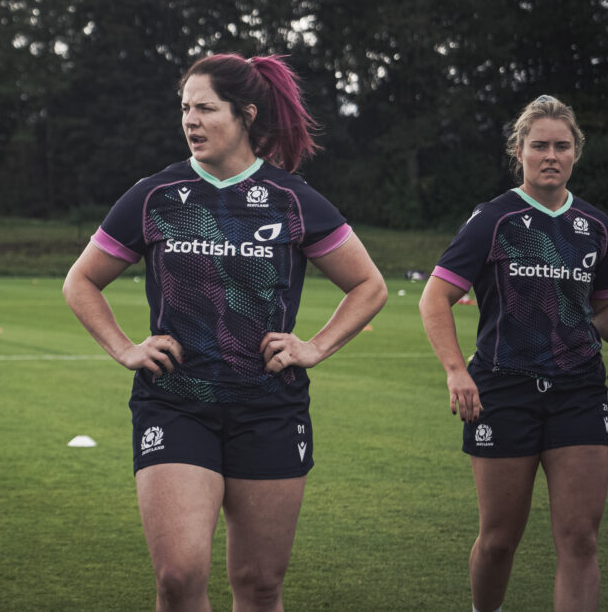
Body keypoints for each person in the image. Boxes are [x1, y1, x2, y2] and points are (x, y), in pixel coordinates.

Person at [63, 53, 387, 610]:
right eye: (184, 108)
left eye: (206, 108)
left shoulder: (291, 198)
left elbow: (368, 285)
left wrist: (314, 346)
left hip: (268, 409)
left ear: (246, 115)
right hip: (175, 404)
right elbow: (81, 281)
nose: (190, 120)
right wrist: (124, 348)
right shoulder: (155, 195)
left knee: (260, 584)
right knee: (178, 576)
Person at [418, 95, 608, 612]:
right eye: (539, 145)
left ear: (576, 152)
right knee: (499, 540)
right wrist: (455, 370)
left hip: (579, 390)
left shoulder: (596, 225)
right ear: (519, 151)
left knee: (581, 539)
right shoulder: (493, 220)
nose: (550, 156)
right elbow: (435, 298)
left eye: (561, 146)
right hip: (503, 391)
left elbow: (607, 305)